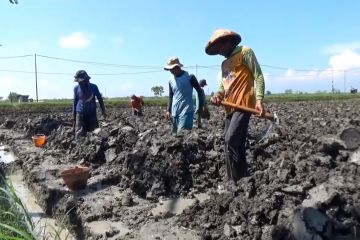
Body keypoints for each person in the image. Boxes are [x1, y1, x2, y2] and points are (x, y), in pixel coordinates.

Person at [206, 29, 265, 183]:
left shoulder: (245, 52)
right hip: (229, 107)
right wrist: (217, 95)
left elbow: (258, 75)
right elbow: (224, 86)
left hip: (244, 104)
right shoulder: (225, 63)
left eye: (220, 47)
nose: (218, 52)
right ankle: (241, 178)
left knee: (230, 140)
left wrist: (259, 100)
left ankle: (235, 181)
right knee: (233, 144)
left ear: (229, 41)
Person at [164, 57, 206, 134]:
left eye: (171, 69)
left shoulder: (189, 76)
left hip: (187, 110)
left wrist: (201, 106)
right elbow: (170, 95)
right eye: (169, 69)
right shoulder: (170, 80)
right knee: (174, 135)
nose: (170, 71)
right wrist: (168, 110)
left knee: (182, 134)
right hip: (175, 111)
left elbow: (199, 91)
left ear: (177, 67)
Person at [73, 70, 106, 137]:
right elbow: (75, 102)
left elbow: (100, 99)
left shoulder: (94, 87)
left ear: (85, 80)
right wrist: (74, 117)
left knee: (94, 133)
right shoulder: (76, 88)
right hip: (80, 114)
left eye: (80, 81)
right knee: (79, 134)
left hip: (91, 114)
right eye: (78, 81)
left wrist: (103, 110)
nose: (79, 83)